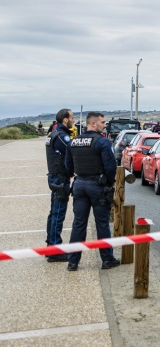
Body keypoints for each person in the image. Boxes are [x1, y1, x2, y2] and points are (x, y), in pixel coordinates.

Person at [65, 112, 120, 271]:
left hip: (79, 184)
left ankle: (73, 262)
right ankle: (107, 259)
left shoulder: (74, 142)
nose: (105, 125)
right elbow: (110, 167)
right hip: (97, 185)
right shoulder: (102, 141)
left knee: (78, 224)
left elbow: (68, 165)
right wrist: (108, 183)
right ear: (93, 124)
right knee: (102, 224)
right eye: (102, 122)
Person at [44, 109, 75, 261]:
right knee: (58, 213)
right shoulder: (62, 136)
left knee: (54, 212)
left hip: (55, 177)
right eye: (72, 118)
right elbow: (72, 152)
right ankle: (55, 249)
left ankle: (50, 246)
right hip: (60, 178)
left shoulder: (53, 134)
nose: (73, 121)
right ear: (65, 120)